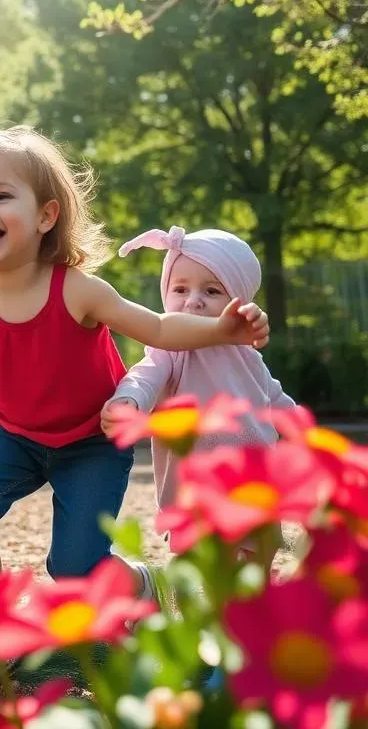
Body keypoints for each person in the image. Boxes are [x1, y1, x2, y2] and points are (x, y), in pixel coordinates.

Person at [0, 127, 268, 679]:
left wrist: (221, 329)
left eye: (0, 197)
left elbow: (159, 327)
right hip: (14, 437)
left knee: (72, 569)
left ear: (46, 216)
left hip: (92, 443)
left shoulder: (78, 289)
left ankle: (137, 582)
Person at [101, 225, 295, 553]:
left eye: (211, 291)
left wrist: (303, 432)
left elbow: (273, 397)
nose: (193, 302)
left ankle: (255, 597)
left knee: (258, 552)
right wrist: (129, 400)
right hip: (194, 482)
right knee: (196, 557)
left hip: (252, 474)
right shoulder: (170, 350)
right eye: (180, 289)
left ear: (239, 301)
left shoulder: (246, 354)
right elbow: (145, 375)